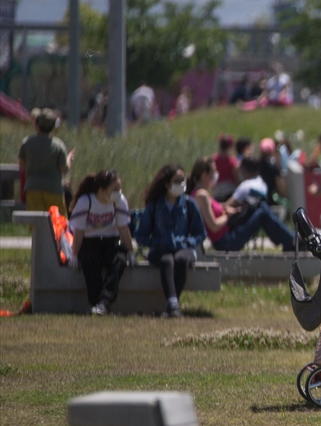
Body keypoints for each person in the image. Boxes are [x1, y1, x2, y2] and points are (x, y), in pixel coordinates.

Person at [134, 164, 206, 318]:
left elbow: (200, 233)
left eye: (183, 180)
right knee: (167, 261)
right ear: (167, 184)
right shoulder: (155, 206)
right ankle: (173, 305)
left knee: (180, 259)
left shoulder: (189, 204)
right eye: (177, 180)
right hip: (161, 249)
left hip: (184, 248)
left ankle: (172, 306)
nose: (181, 184)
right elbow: (141, 235)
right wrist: (157, 242)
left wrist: (188, 242)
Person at [189, 158, 295, 253]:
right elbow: (214, 226)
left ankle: (288, 240)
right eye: (213, 171)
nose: (216, 174)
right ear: (204, 175)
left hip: (228, 235)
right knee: (262, 213)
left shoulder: (200, 194)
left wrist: (226, 209)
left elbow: (213, 209)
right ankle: (290, 241)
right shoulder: (201, 195)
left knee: (259, 206)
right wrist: (228, 215)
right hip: (226, 242)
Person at [67, 170, 134, 316]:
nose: (118, 193)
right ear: (102, 190)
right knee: (90, 262)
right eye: (114, 190)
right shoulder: (86, 202)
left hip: (111, 241)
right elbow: (79, 232)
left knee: (119, 260)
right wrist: (74, 255)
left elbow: (123, 228)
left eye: (119, 189)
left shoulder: (120, 201)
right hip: (90, 241)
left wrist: (130, 251)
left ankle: (105, 301)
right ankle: (96, 301)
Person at [18, 108, 72, 213]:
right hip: (54, 189)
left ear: (36, 125)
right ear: (53, 127)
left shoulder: (27, 142)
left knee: (36, 224)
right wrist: (69, 159)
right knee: (57, 224)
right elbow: (64, 168)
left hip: (32, 188)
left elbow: (22, 164)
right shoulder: (58, 145)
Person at [212, 134, 239, 200]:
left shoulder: (214, 159)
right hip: (230, 187)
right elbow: (236, 175)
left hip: (218, 187)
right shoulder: (231, 160)